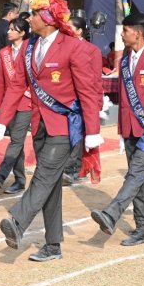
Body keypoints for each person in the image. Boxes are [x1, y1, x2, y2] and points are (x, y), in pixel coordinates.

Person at [0, 0, 103, 262]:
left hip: (65, 127)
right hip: (40, 125)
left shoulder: (73, 47)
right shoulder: (31, 47)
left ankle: (18, 221)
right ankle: (53, 245)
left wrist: (92, 130)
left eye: (34, 14)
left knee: (44, 175)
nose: (29, 18)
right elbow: (18, 85)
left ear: (47, 18)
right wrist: (2, 118)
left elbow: (88, 92)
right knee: (52, 187)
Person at [90, 13, 144, 246]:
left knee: (135, 175)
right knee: (140, 182)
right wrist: (121, 131)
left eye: (125, 31)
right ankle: (143, 228)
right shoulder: (125, 60)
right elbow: (126, 99)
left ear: (137, 33)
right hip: (129, 129)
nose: (121, 35)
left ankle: (111, 213)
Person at [0, 16, 31, 195]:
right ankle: (20, 181)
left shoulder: (30, 50)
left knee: (17, 139)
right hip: (9, 103)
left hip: (26, 102)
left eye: (12, 29)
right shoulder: (4, 52)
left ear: (22, 32)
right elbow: (1, 83)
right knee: (16, 140)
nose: (8, 31)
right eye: (9, 28)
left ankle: (2, 173)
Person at [61, 15, 102, 186]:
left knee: (77, 134)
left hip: (81, 99)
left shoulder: (92, 50)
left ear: (79, 31)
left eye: (70, 27)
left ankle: (72, 169)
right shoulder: (62, 47)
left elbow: (96, 78)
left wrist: (97, 101)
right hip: (64, 98)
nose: (66, 28)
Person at [0, 2, 19, 73]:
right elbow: (9, 48)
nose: (17, 15)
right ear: (10, 13)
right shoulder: (8, 28)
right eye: (16, 13)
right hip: (6, 66)